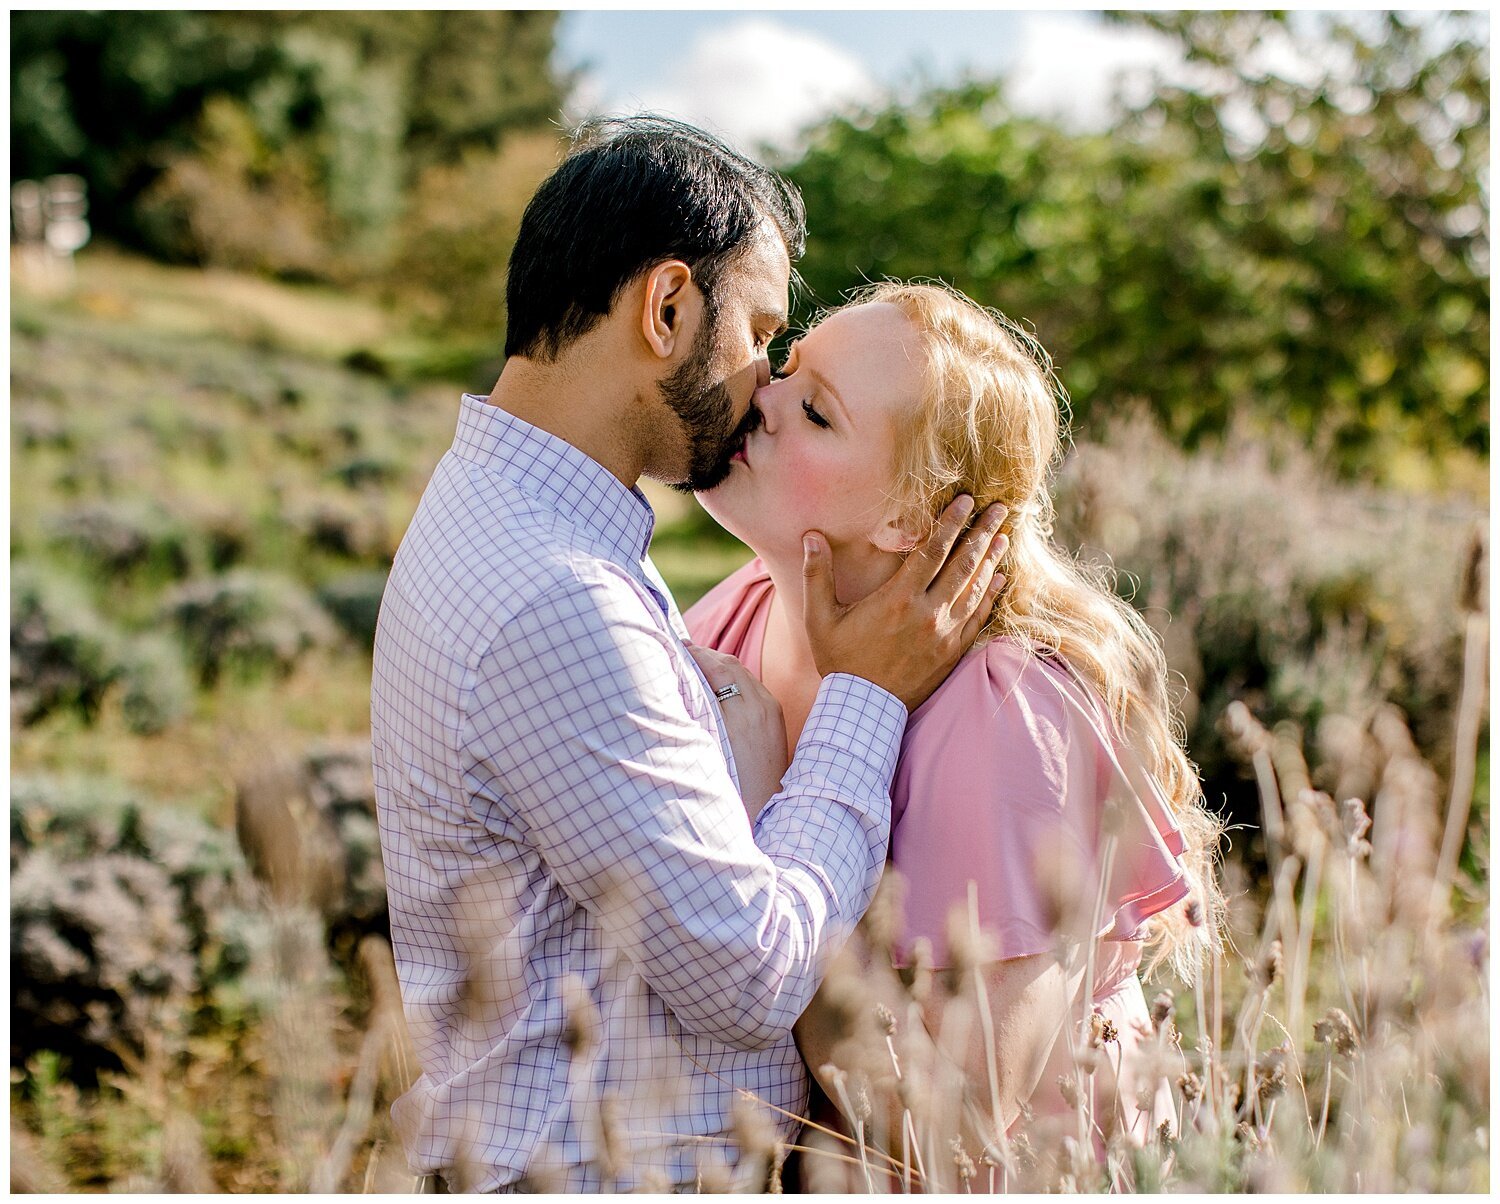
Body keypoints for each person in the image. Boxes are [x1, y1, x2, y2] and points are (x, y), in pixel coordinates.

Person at [370, 119, 1009, 1192]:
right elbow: (749, 973)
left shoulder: (519, 516)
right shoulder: (557, 593)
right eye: (760, 329)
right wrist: (864, 697)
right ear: (667, 308)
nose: (763, 381)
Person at [686, 281, 1224, 1185]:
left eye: (816, 411)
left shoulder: (1005, 713)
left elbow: (956, 1137)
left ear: (910, 518)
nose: (760, 398)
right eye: (786, 371)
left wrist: (770, 899)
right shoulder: (730, 619)